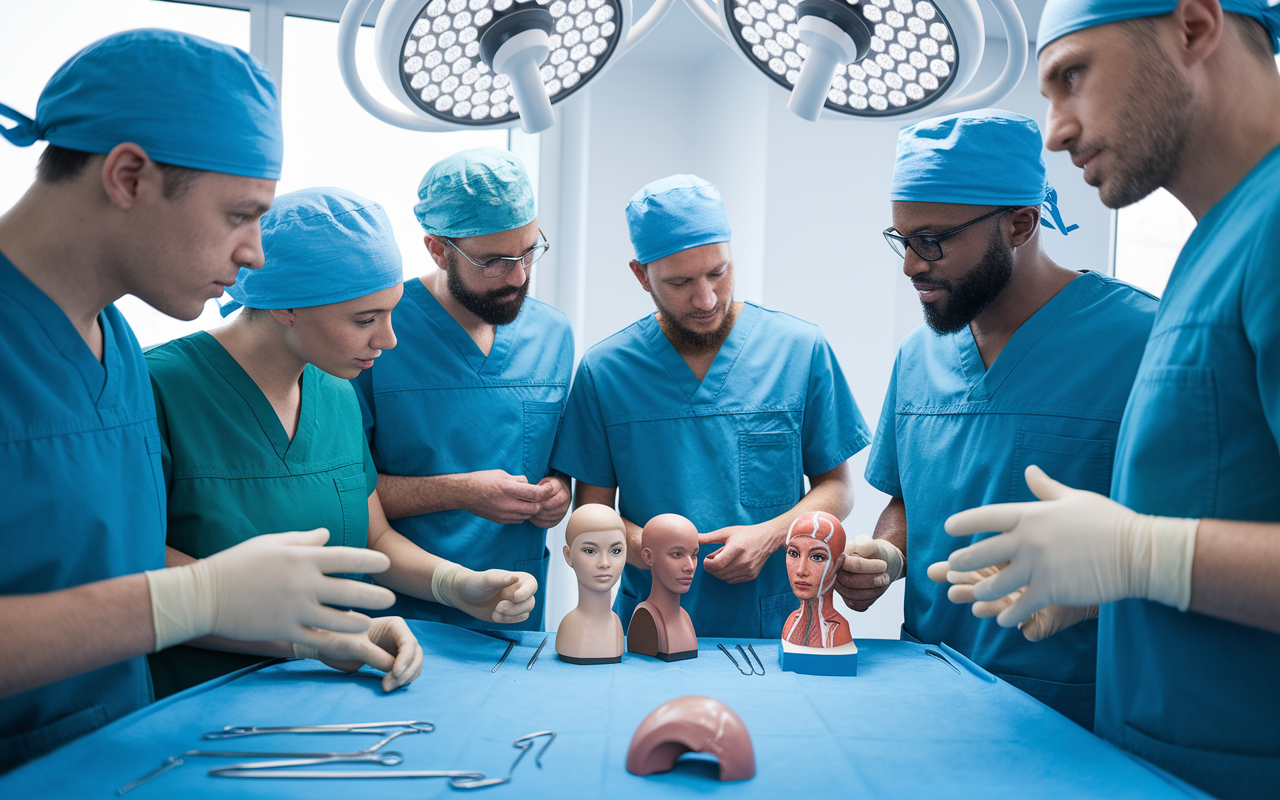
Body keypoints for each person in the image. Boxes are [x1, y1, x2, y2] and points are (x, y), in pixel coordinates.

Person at [0, 30, 395, 770]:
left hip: (112, 753)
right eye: (239, 216)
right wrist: (191, 599)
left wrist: (312, 632)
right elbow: (153, 605)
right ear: (127, 176)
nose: (255, 255)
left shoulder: (109, 341)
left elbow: (104, 575)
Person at [933, 2, 1280, 795]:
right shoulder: (1217, 242)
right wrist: (1120, 592)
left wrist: (1143, 555)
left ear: (1194, 27)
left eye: (1073, 77)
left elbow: (1169, 547)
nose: (1053, 132)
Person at [146, 187, 538, 697]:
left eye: (391, 312)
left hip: (327, 699)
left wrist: (456, 585)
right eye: (365, 319)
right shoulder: (158, 389)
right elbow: (138, 565)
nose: (389, 339)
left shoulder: (335, 391)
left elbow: (372, 539)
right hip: (193, 702)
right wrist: (319, 637)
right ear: (287, 307)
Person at [844, 110, 1156, 729]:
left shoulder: (1145, 342)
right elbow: (910, 499)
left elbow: (1190, 539)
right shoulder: (918, 356)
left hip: (1076, 713)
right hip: (927, 692)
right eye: (902, 239)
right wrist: (888, 554)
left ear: (1020, 224)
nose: (910, 264)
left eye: (931, 241)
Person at [550, 174, 870, 639]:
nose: (706, 299)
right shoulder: (606, 371)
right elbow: (591, 515)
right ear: (641, 276)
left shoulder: (799, 351)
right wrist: (661, 553)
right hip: (650, 626)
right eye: (679, 282)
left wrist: (769, 537)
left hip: (776, 621)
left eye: (718, 272)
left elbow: (837, 489)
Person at [354, 148, 572, 631]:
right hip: (402, 616)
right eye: (494, 261)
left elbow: (553, 460)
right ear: (438, 249)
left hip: (515, 610)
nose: (518, 277)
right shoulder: (376, 334)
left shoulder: (554, 335)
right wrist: (460, 492)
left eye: (529, 251)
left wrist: (559, 491)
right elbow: (347, 493)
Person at [555, 504, 627, 664]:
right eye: (590, 551)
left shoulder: (616, 624)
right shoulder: (571, 628)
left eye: (615, 551)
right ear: (568, 556)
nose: (604, 563)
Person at [783, 511, 851, 649]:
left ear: (838, 564)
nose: (801, 570)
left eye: (817, 557)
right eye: (793, 553)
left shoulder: (836, 629)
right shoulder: (791, 622)